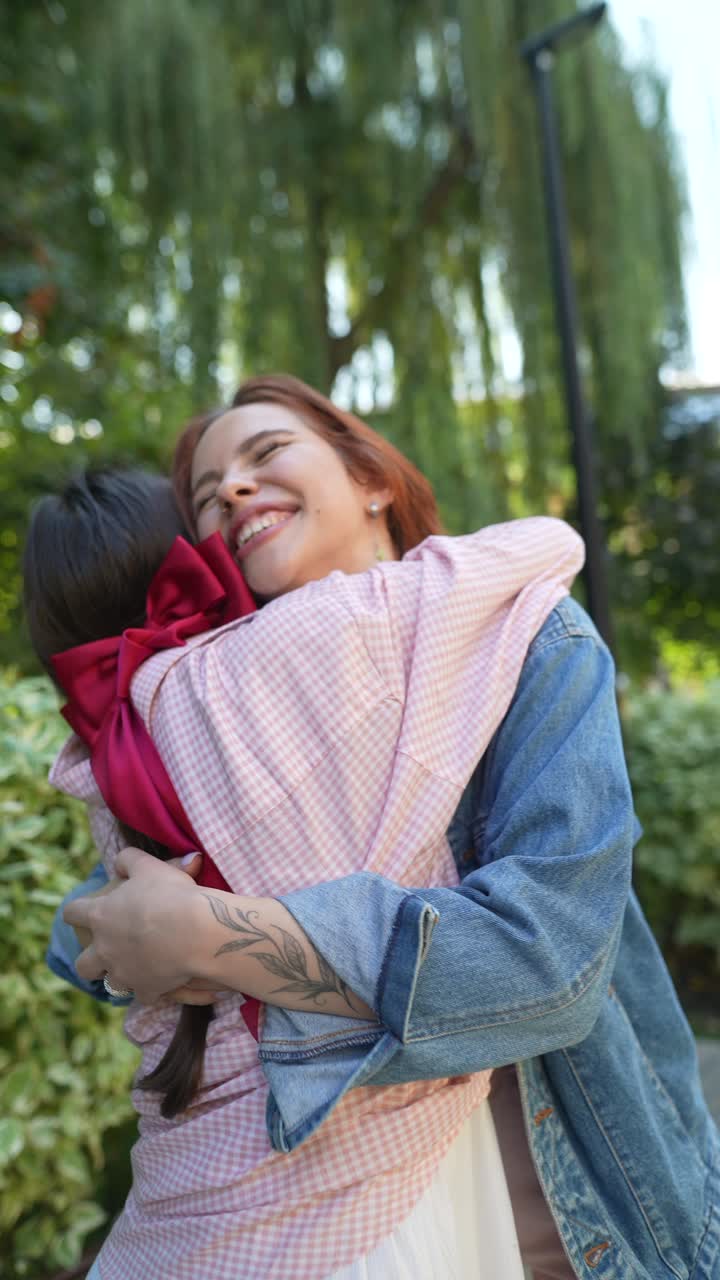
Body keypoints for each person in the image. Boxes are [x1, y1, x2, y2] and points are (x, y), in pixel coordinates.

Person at [51, 376, 720, 1280]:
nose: (235, 489)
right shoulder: (217, 718)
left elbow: (551, 962)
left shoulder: (524, 634)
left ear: (371, 477)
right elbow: (106, 920)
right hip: (322, 1210)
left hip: (584, 1208)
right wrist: (120, 932)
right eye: (207, 497)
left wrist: (212, 938)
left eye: (266, 453)